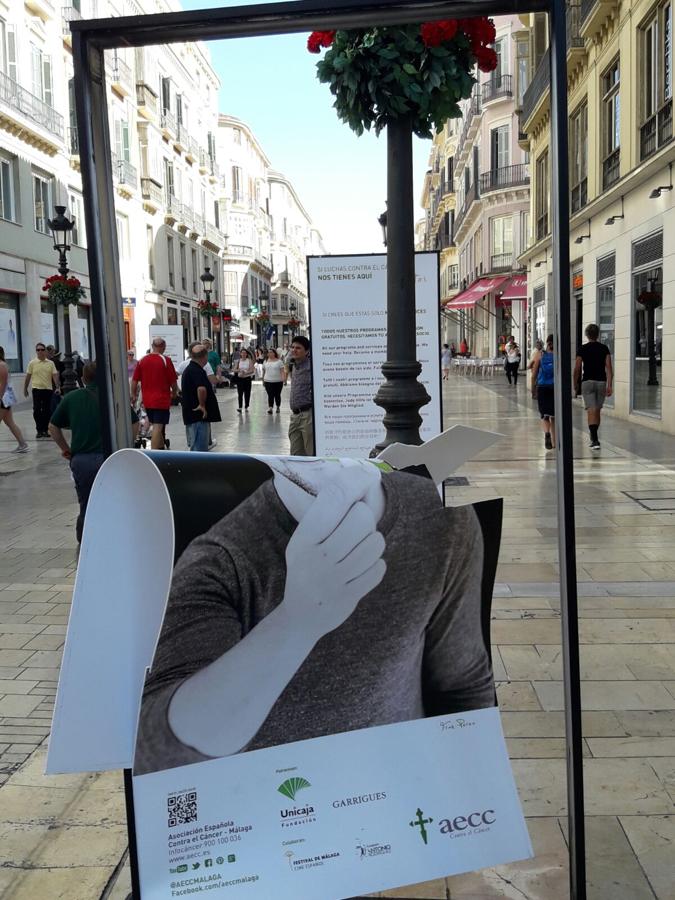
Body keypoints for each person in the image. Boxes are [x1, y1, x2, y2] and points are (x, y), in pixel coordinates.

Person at [134, 458, 495, 774]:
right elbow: (158, 751)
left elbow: (461, 683)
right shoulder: (220, 561)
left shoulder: (442, 518)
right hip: (273, 832)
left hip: (401, 816)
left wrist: (473, 814)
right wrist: (296, 622)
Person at [48, 361, 104, 544]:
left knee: (86, 504)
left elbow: (52, 427)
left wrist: (66, 449)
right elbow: (134, 423)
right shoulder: (111, 397)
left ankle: (85, 544)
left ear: (83, 378)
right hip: (109, 459)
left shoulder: (72, 398)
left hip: (82, 460)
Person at [130, 337, 178, 450]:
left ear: (152, 346)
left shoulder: (142, 360)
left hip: (147, 400)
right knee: (158, 426)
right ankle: (155, 453)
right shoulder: (166, 360)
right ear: (164, 346)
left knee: (155, 423)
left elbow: (134, 380)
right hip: (161, 399)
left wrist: (133, 394)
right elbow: (173, 381)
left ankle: (161, 449)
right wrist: (174, 393)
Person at [574, 323, 613, 451]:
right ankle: (594, 437)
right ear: (598, 334)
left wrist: (576, 383)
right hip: (601, 382)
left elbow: (577, 368)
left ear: (586, 334)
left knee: (591, 409)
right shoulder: (604, 348)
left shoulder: (582, 349)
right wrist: (609, 385)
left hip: (588, 382)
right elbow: (609, 368)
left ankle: (594, 439)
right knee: (597, 409)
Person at [180, 343, 221, 452]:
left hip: (192, 415)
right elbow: (201, 388)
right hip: (197, 416)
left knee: (196, 445)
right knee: (199, 447)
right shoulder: (196, 370)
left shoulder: (191, 369)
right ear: (205, 357)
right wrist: (202, 405)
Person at [23, 343, 60, 439]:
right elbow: (28, 376)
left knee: (47, 411)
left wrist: (57, 387)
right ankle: (39, 430)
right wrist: (25, 388)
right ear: (36, 351)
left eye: (42, 349)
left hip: (48, 390)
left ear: (45, 351)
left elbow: (55, 375)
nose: (40, 351)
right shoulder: (32, 363)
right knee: (37, 410)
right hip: (36, 389)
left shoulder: (50, 363)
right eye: (38, 350)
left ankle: (45, 430)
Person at [288, 336, 313, 456]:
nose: (294, 350)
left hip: (307, 415)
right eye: (292, 347)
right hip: (295, 416)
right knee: (295, 455)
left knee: (311, 453)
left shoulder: (311, 367)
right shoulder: (293, 365)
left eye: (298, 348)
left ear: (307, 351)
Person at [0, 346, 28, 453]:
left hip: (3, 399)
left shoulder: (1, 365)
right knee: (10, 422)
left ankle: (23, 444)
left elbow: (3, 384)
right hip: (5, 399)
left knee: (10, 422)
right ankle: (23, 444)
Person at [532, 334, 555, 451]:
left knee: (544, 415)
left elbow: (534, 373)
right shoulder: (559, 356)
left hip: (542, 387)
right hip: (555, 387)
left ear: (547, 342)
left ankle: (547, 433)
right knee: (554, 416)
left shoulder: (540, 355)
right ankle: (555, 442)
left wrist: (533, 389)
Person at [262, 348, 286, 413]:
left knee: (277, 395)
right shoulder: (265, 361)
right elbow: (264, 371)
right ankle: (270, 408)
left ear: (274, 353)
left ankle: (278, 406)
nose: (270, 354)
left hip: (278, 381)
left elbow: (282, 371)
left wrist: (284, 379)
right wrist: (263, 380)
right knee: (270, 395)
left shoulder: (279, 361)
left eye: (271, 352)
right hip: (268, 381)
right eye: (269, 352)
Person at [235, 348, 255, 412]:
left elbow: (252, 370)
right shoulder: (238, 361)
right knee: (240, 393)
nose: (243, 354)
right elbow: (234, 369)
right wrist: (239, 370)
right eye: (242, 353)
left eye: (245, 353)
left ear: (246, 354)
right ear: (240, 354)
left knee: (247, 393)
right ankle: (240, 407)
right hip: (240, 379)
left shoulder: (249, 360)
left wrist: (246, 372)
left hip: (247, 379)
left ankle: (246, 406)